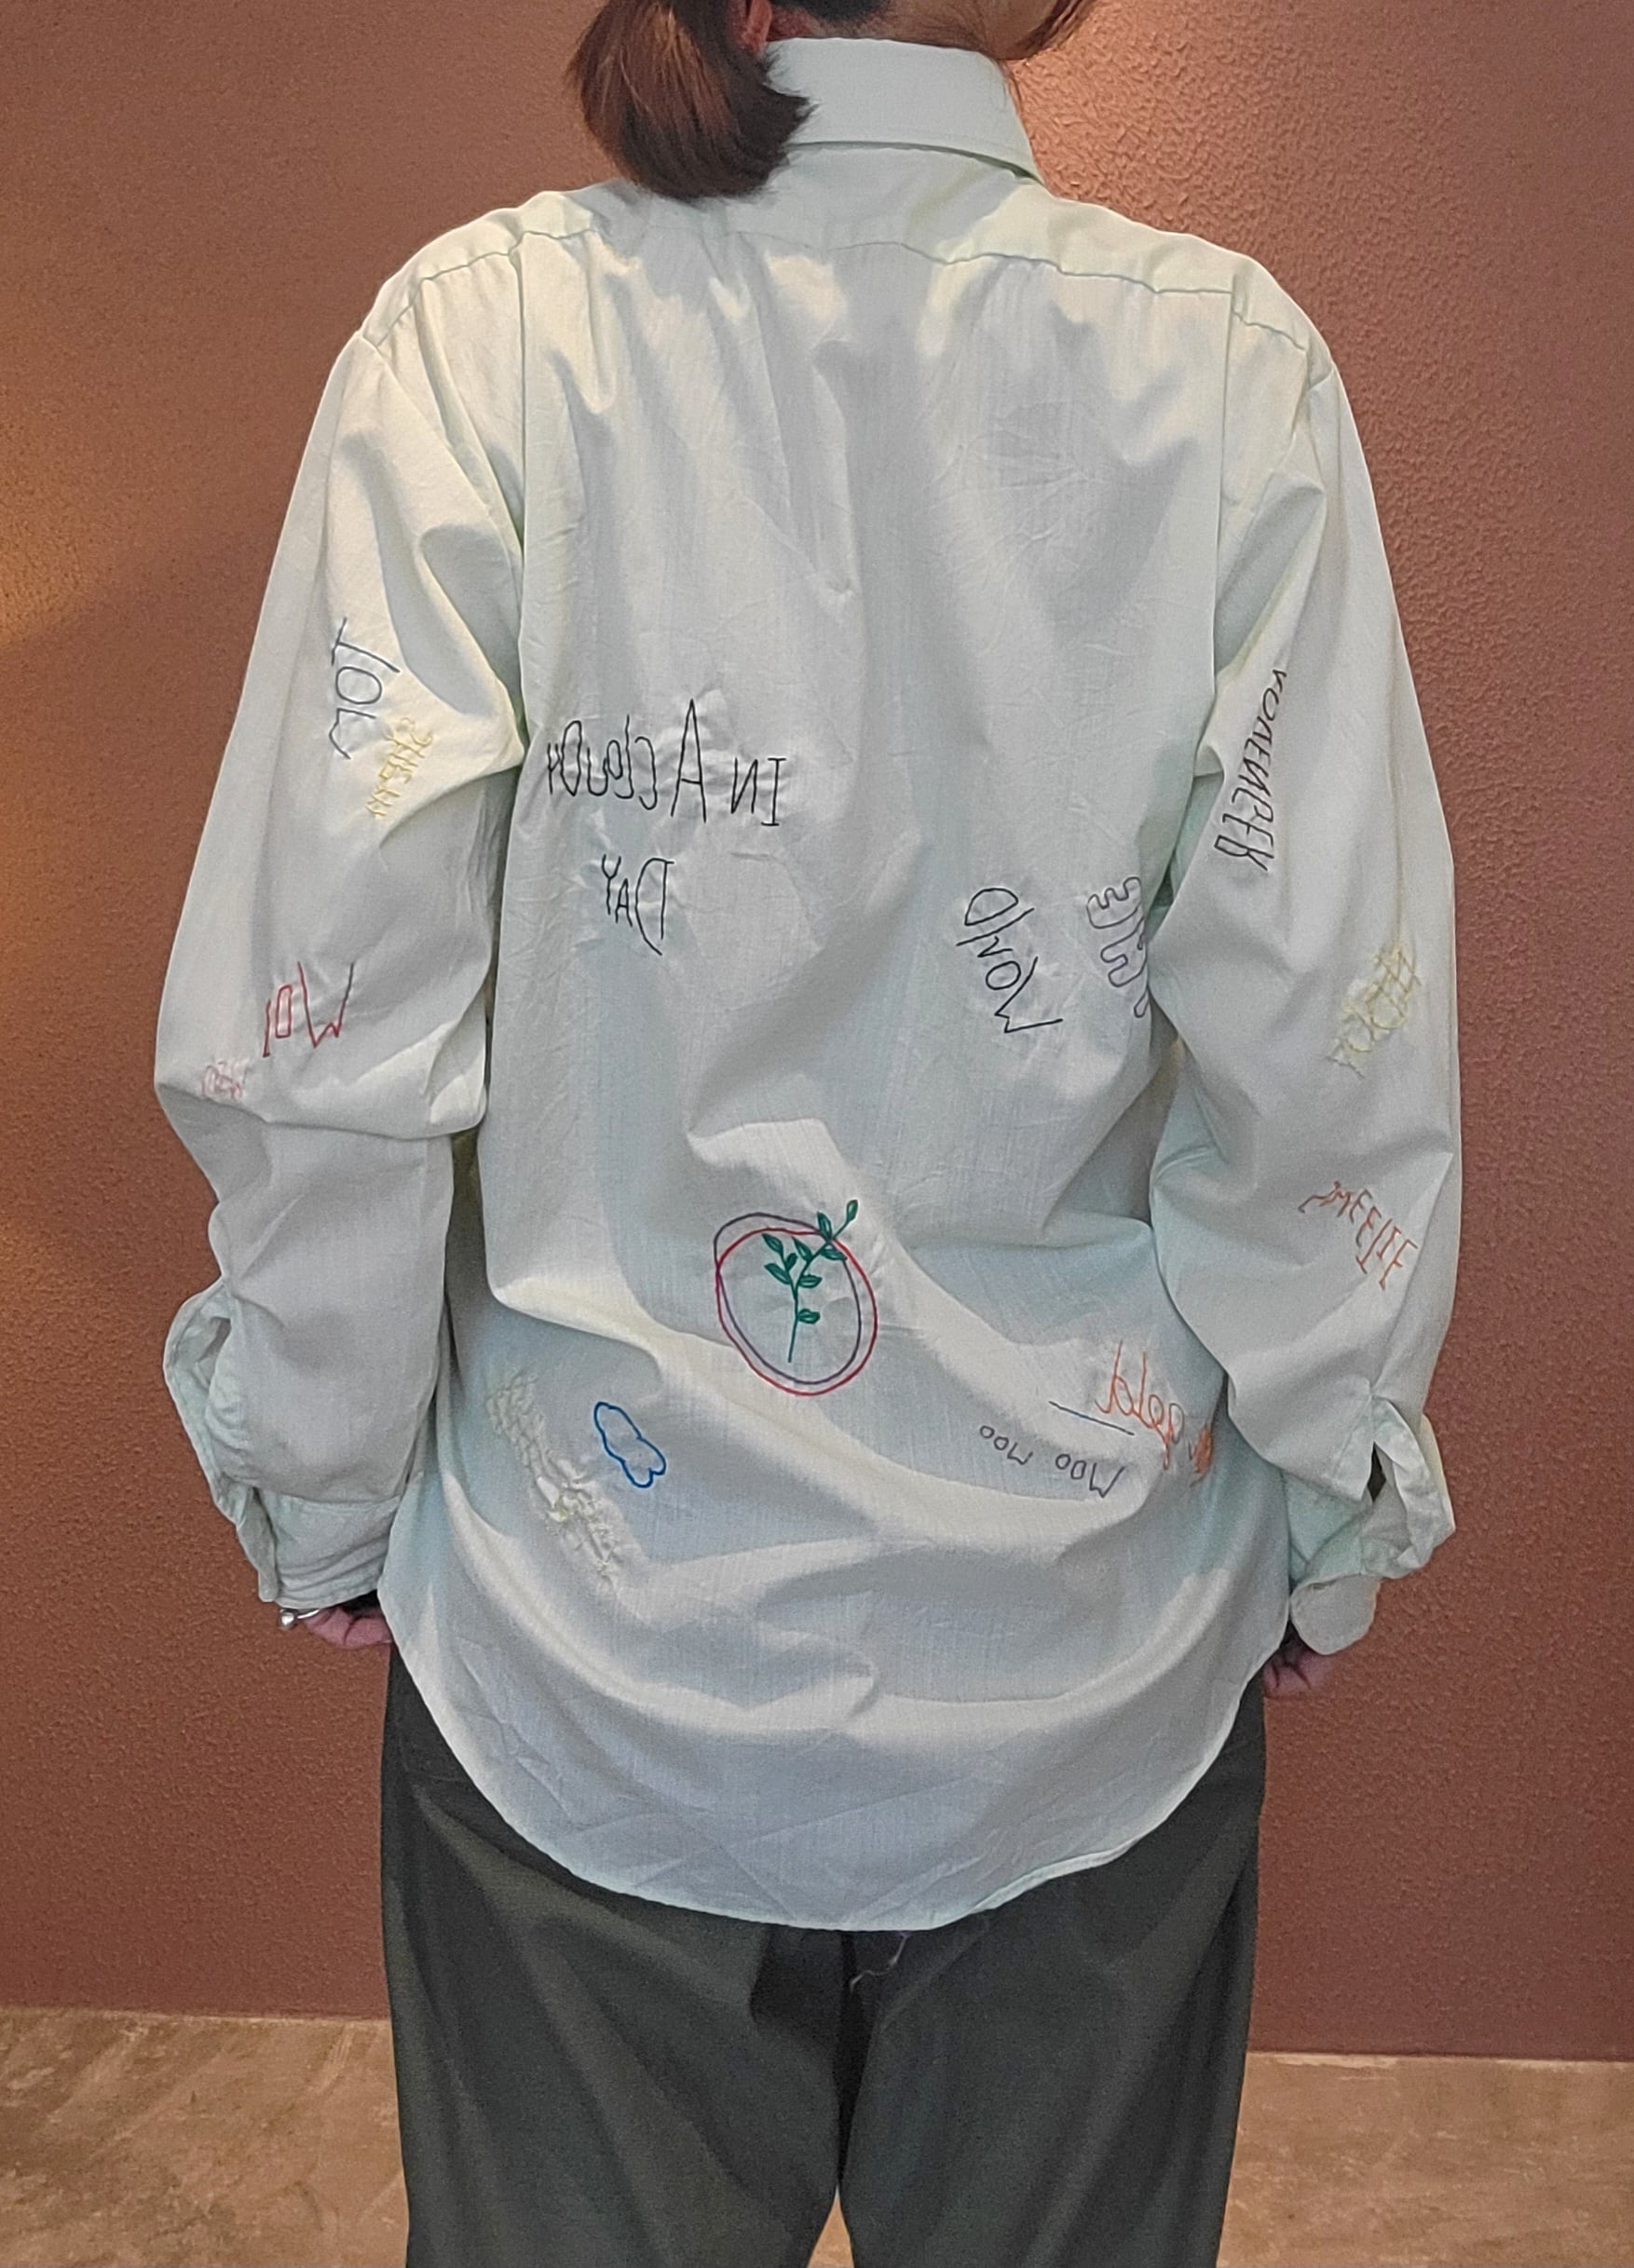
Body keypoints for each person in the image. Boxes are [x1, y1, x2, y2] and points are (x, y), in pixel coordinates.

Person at [152, 0, 1462, 2255]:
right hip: (1084, 1659)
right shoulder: (1222, 374)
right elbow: (1326, 1044)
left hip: (586, 1657)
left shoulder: (486, 340)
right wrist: (1329, 1489)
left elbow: (327, 1019)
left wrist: (325, 1473)